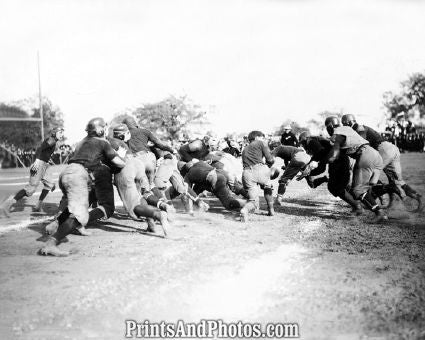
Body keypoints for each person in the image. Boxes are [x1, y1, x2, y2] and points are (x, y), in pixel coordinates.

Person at [39, 117, 126, 256]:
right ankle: (51, 243)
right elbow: (120, 163)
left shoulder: (81, 142)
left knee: (78, 205)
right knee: (79, 215)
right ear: (99, 130)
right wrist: (121, 157)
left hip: (67, 173)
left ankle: (56, 224)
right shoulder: (102, 142)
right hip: (78, 175)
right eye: (103, 127)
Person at [341, 114, 422, 211]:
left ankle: (373, 201)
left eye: (344, 124)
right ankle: (417, 198)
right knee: (397, 181)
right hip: (391, 149)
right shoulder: (360, 128)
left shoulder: (359, 129)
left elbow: (361, 144)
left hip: (383, 149)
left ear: (349, 122)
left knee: (369, 176)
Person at [109, 124, 170, 235]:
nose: (130, 135)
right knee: (143, 194)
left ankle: (158, 214)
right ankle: (155, 215)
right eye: (128, 132)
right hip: (137, 164)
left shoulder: (112, 142)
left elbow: (118, 161)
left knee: (132, 206)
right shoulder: (124, 144)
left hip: (126, 168)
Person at [324, 116, 387, 222]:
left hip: (365, 155)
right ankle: (383, 198)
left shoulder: (338, 134)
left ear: (330, 126)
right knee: (366, 186)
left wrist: (324, 160)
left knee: (358, 190)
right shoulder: (347, 129)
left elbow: (334, 154)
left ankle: (379, 212)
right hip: (374, 154)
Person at [0, 127, 64, 217]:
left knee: (50, 184)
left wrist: (46, 160)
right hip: (39, 164)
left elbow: (44, 152)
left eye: (62, 133)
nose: (62, 134)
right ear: (54, 133)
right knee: (30, 189)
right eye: (60, 132)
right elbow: (40, 149)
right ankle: (7, 204)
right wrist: (37, 161)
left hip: (44, 165)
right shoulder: (51, 140)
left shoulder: (54, 141)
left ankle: (38, 205)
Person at [122, 116, 175, 187]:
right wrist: (171, 150)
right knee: (151, 185)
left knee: (140, 188)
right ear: (135, 124)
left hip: (135, 161)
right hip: (148, 159)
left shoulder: (124, 135)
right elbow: (159, 144)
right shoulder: (144, 131)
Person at [177, 160, 246, 212]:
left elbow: (186, 191)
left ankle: (248, 204)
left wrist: (188, 206)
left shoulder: (188, 175)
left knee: (228, 204)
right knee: (238, 188)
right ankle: (251, 197)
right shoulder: (200, 163)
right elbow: (197, 189)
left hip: (215, 178)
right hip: (222, 173)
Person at [239, 130, 276, 222]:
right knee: (268, 186)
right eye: (262, 137)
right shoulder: (260, 143)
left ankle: (245, 210)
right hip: (259, 169)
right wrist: (269, 165)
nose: (263, 139)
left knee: (253, 201)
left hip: (246, 173)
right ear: (256, 138)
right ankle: (271, 209)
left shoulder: (244, 149)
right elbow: (270, 159)